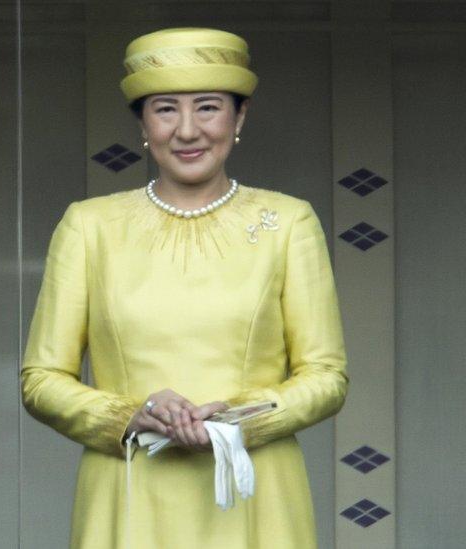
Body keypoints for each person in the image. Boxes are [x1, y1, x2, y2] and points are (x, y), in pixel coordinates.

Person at [21, 28, 347, 548]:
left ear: (239, 118)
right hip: (128, 492)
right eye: (166, 109)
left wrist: (237, 421)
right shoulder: (89, 225)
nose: (188, 130)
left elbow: (327, 376)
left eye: (209, 108)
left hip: (254, 496)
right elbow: (41, 379)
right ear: (143, 124)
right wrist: (130, 415)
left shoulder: (288, 222)